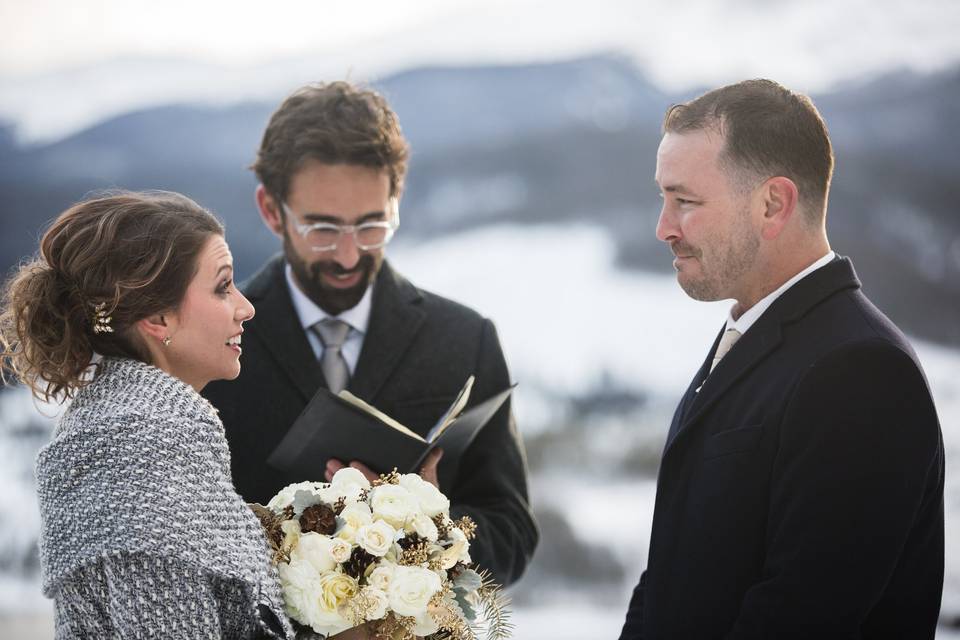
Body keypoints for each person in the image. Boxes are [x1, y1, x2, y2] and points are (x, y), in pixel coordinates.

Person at [620, 80, 944, 638]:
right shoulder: (753, 338)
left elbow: (800, 616)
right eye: (663, 198)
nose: (663, 228)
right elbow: (672, 570)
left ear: (772, 204)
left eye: (686, 201)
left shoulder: (861, 371)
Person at [202, 81, 538, 588]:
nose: (348, 255)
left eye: (371, 226)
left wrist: (429, 529)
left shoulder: (466, 339)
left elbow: (512, 532)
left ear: (396, 199)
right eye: (323, 229)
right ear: (272, 211)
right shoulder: (211, 343)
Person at [0, 192, 293, 639]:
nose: (245, 307)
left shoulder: (118, 426)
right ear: (158, 317)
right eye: (222, 286)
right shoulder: (143, 443)